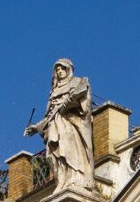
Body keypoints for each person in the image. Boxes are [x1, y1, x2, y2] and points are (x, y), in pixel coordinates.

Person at [25, 59, 95, 191]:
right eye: (57, 70)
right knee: (52, 155)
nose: (60, 72)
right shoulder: (53, 92)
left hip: (70, 124)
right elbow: (50, 115)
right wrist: (37, 127)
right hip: (54, 126)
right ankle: (62, 180)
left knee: (67, 148)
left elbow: (84, 105)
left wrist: (69, 103)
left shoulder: (78, 82)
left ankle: (75, 178)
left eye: (63, 69)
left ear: (69, 70)